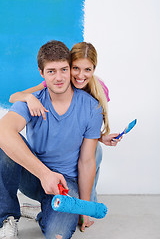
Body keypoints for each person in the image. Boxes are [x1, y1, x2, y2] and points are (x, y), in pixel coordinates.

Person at [0, 40, 104, 239]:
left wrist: (84, 206)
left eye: (64, 69)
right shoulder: (33, 99)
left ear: (70, 67)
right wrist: (44, 174)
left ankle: (43, 212)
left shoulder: (91, 107)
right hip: (33, 176)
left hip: (65, 183)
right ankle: (7, 218)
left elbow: (87, 161)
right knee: (4, 143)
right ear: (41, 73)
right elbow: (2, 130)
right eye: (51, 71)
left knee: (58, 234)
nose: (59, 77)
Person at [9, 42, 121, 203]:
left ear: (94, 70)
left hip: (88, 146)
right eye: (76, 68)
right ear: (69, 66)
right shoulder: (54, 82)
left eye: (87, 69)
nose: (80, 75)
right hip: (59, 155)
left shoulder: (99, 91)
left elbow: (88, 126)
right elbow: (14, 97)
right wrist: (29, 98)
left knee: (93, 153)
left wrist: (100, 137)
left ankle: (88, 200)